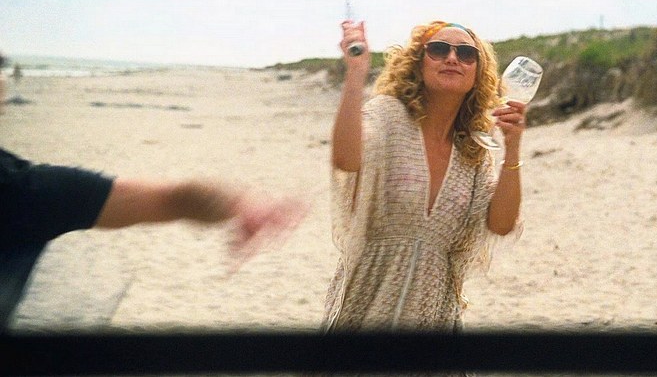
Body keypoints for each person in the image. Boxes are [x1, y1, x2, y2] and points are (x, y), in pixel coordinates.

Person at [324, 20, 526, 332]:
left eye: (466, 54)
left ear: (477, 73)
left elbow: (501, 224)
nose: (452, 58)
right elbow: (346, 159)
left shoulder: (472, 150)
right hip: (369, 296)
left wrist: (512, 148)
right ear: (419, 63)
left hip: (435, 312)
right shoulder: (388, 116)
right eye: (439, 49)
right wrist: (356, 74)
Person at [0, 147, 307, 329]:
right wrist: (241, 205)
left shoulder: (20, 189)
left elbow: (174, 199)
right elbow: (172, 200)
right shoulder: (20, 190)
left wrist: (240, 204)